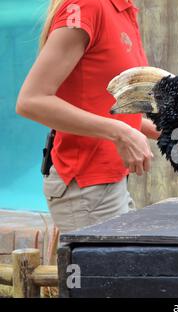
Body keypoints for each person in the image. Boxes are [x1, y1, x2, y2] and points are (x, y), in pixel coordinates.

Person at [16, 0, 159, 233]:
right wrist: (121, 133)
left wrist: (167, 131)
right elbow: (31, 101)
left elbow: (95, 102)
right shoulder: (88, 5)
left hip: (109, 184)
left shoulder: (121, 10)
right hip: (85, 190)